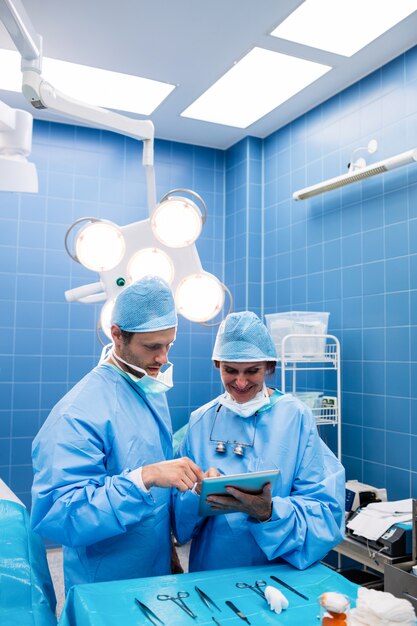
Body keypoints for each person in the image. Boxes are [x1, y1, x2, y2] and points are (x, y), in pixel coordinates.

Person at [31, 276, 203, 591]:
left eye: (168, 345)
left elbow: (156, 501)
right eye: (152, 347)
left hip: (154, 573)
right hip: (106, 582)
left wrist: (169, 554)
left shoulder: (148, 390)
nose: (163, 359)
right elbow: (61, 514)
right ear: (117, 335)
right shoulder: (77, 413)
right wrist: (143, 478)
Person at [173, 311, 345, 572]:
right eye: (231, 370)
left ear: (268, 367)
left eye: (252, 371)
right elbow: (176, 517)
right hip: (214, 569)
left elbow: (325, 512)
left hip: (279, 570)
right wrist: (196, 494)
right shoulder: (201, 422)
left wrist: (269, 512)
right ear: (218, 365)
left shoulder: (295, 418)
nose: (240, 382)